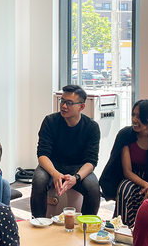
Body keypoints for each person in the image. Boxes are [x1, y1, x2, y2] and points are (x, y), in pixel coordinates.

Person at [30, 84, 101, 218]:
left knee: (93, 187)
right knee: (39, 179)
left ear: (82, 106)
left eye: (69, 103)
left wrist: (77, 177)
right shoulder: (50, 121)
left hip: (78, 168)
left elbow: (91, 161)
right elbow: (42, 155)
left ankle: (87, 225)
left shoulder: (91, 127)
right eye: (62, 101)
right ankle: (38, 221)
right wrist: (55, 173)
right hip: (52, 165)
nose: (63, 106)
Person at [99, 99, 148, 227]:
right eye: (133, 115)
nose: (134, 119)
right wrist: (147, 186)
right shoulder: (126, 135)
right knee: (125, 189)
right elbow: (127, 171)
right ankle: (123, 228)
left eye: (139, 117)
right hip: (135, 177)